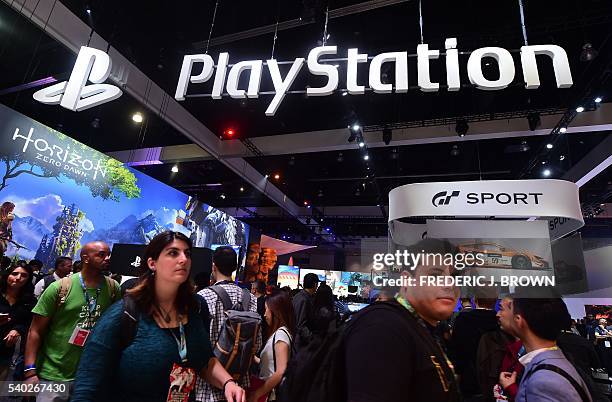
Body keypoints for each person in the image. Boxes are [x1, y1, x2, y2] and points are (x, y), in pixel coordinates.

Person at [72, 231, 246, 402]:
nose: (183, 259)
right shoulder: (125, 314)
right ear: (152, 263)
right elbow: (87, 385)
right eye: (173, 253)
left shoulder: (195, 308)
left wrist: (228, 383)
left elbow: (204, 361)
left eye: (187, 253)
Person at [344, 238, 460, 402]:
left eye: (454, 275)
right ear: (406, 280)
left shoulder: (422, 327)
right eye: (435, 274)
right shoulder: (383, 328)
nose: (449, 283)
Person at [23, 241, 121, 401]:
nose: (107, 258)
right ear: (85, 258)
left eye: (108, 254)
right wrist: (30, 371)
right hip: (54, 373)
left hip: (91, 375)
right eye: (101, 255)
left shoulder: (113, 288)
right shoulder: (59, 288)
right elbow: (35, 331)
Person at [197, 246, 261, 402]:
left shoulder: (204, 296)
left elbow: (200, 348)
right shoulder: (250, 298)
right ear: (236, 268)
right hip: (240, 385)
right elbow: (256, 344)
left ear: (214, 266)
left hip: (209, 386)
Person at [499, 297, 592, 402]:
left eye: (508, 308)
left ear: (518, 320)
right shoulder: (555, 361)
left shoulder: (544, 381)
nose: (498, 314)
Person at [248, 289, 294, 402]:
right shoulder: (282, 333)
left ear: (275, 312)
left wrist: (257, 393)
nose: (264, 314)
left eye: (266, 310)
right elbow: (272, 363)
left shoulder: (280, 335)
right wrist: (254, 358)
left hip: (272, 395)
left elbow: (280, 371)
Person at [449, 297, 499, 401]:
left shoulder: (463, 319)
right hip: (495, 381)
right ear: (495, 301)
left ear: (475, 300)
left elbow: (455, 349)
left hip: (469, 380)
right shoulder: (499, 321)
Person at [478, 296, 524, 402]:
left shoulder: (532, 355)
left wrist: (511, 389)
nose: (497, 314)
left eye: (501, 309)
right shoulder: (504, 346)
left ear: (518, 316)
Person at [0, 263, 37, 380]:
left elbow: (29, 321)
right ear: (7, 275)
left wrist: (17, 330)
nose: (18, 277)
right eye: (14, 273)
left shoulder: (29, 300)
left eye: (24, 275)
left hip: (6, 346)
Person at [292, 273, 318, 348]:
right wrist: (312, 338)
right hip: (300, 342)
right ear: (315, 285)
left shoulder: (299, 296)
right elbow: (300, 325)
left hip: (297, 339)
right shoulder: (304, 299)